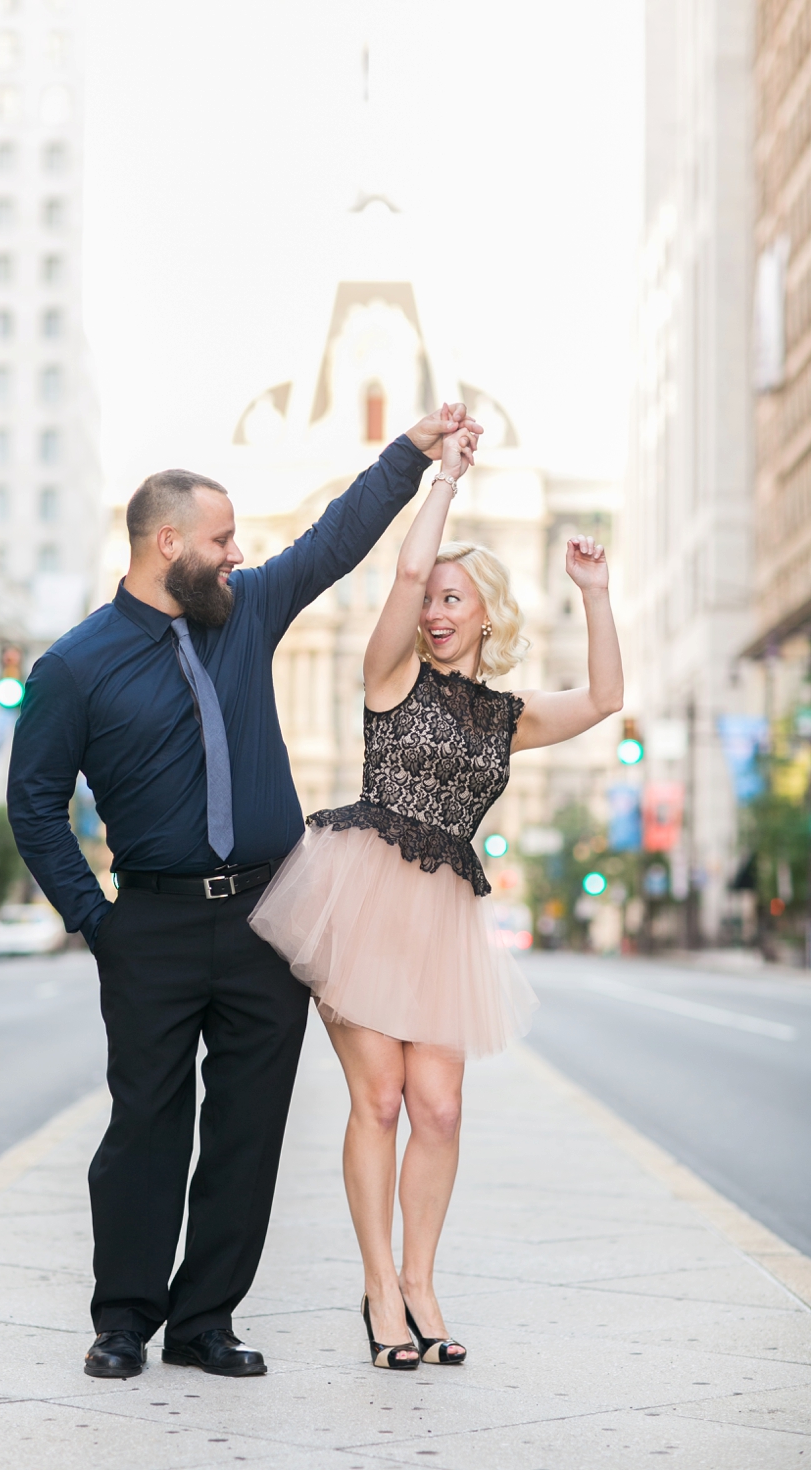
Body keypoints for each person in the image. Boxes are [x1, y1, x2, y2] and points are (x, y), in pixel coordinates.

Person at [6, 403, 481, 1380]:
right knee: (146, 1123)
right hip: (154, 922)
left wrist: (412, 455)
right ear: (165, 542)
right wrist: (98, 923)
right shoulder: (73, 668)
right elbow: (35, 808)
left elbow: (336, 540)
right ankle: (125, 1319)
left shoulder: (249, 609)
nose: (236, 555)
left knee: (248, 1126)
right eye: (220, 540)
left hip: (272, 913)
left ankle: (204, 1321)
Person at [249, 423, 623, 1370]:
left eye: (457, 600)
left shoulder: (506, 718)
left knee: (441, 1109)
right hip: (360, 900)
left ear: (487, 615)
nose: (437, 611)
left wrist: (595, 593)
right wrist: (443, 483)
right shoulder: (390, 674)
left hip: (445, 915)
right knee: (378, 1101)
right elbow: (405, 579)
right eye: (433, 600)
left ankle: (422, 1280)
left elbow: (607, 699)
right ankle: (379, 1292)